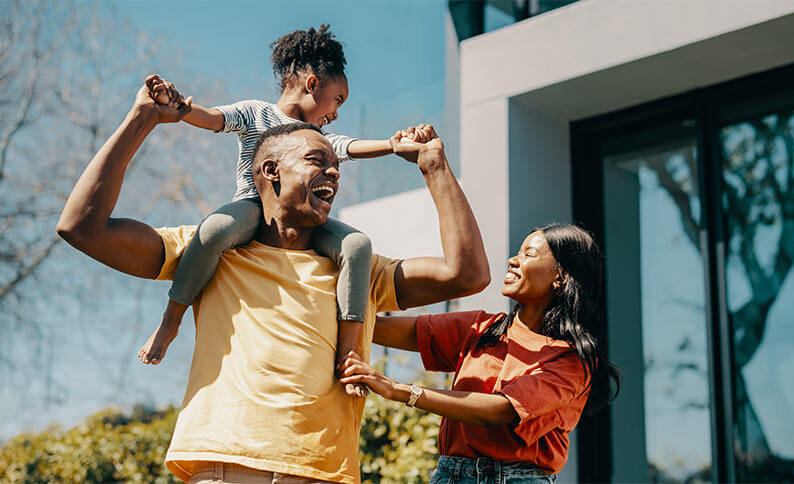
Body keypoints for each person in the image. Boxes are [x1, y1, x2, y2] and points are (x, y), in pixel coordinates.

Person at [57, 79, 489, 483]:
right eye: (318, 161)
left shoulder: (360, 270)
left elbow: (466, 275)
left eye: (337, 167)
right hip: (228, 467)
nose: (335, 174)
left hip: (328, 474)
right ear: (269, 171)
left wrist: (434, 167)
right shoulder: (213, 253)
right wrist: (142, 119)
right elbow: (82, 228)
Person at [138, 26, 399, 391]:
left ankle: (349, 355)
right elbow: (214, 119)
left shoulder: (317, 138)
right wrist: (181, 109)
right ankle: (170, 322)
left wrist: (391, 144)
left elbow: (347, 145)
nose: (337, 113)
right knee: (213, 230)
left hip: (303, 219)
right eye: (338, 99)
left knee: (356, 245)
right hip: (253, 209)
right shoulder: (256, 113)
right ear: (312, 84)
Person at [339, 225, 621, 483]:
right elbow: (378, 328)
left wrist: (399, 390)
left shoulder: (570, 360)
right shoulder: (482, 328)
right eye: (517, 252)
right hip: (450, 474)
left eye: (528, 254)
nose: (513, 260)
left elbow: (501, 409)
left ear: (560, 277)